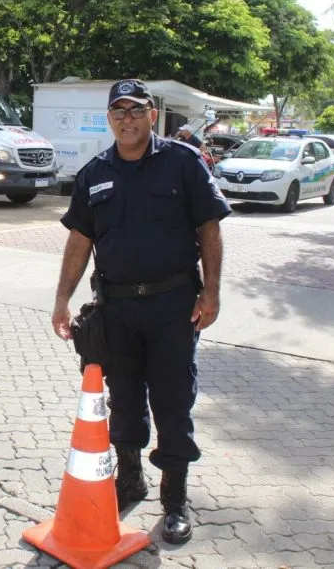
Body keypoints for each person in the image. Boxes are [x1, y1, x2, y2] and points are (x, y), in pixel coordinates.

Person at [51, 79, 230, 546]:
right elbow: (79, 241)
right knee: (124, 399)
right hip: (118, 307)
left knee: (172, 401)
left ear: (153, 114)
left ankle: (175, 500)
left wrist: (210, 292)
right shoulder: (95, 173)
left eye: (136, 110)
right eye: (119, 110)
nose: (127, 118)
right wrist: (61, 300)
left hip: (173, 306)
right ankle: (130, 479)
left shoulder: (182, 162)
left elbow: (209, 227)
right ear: (109, 117)